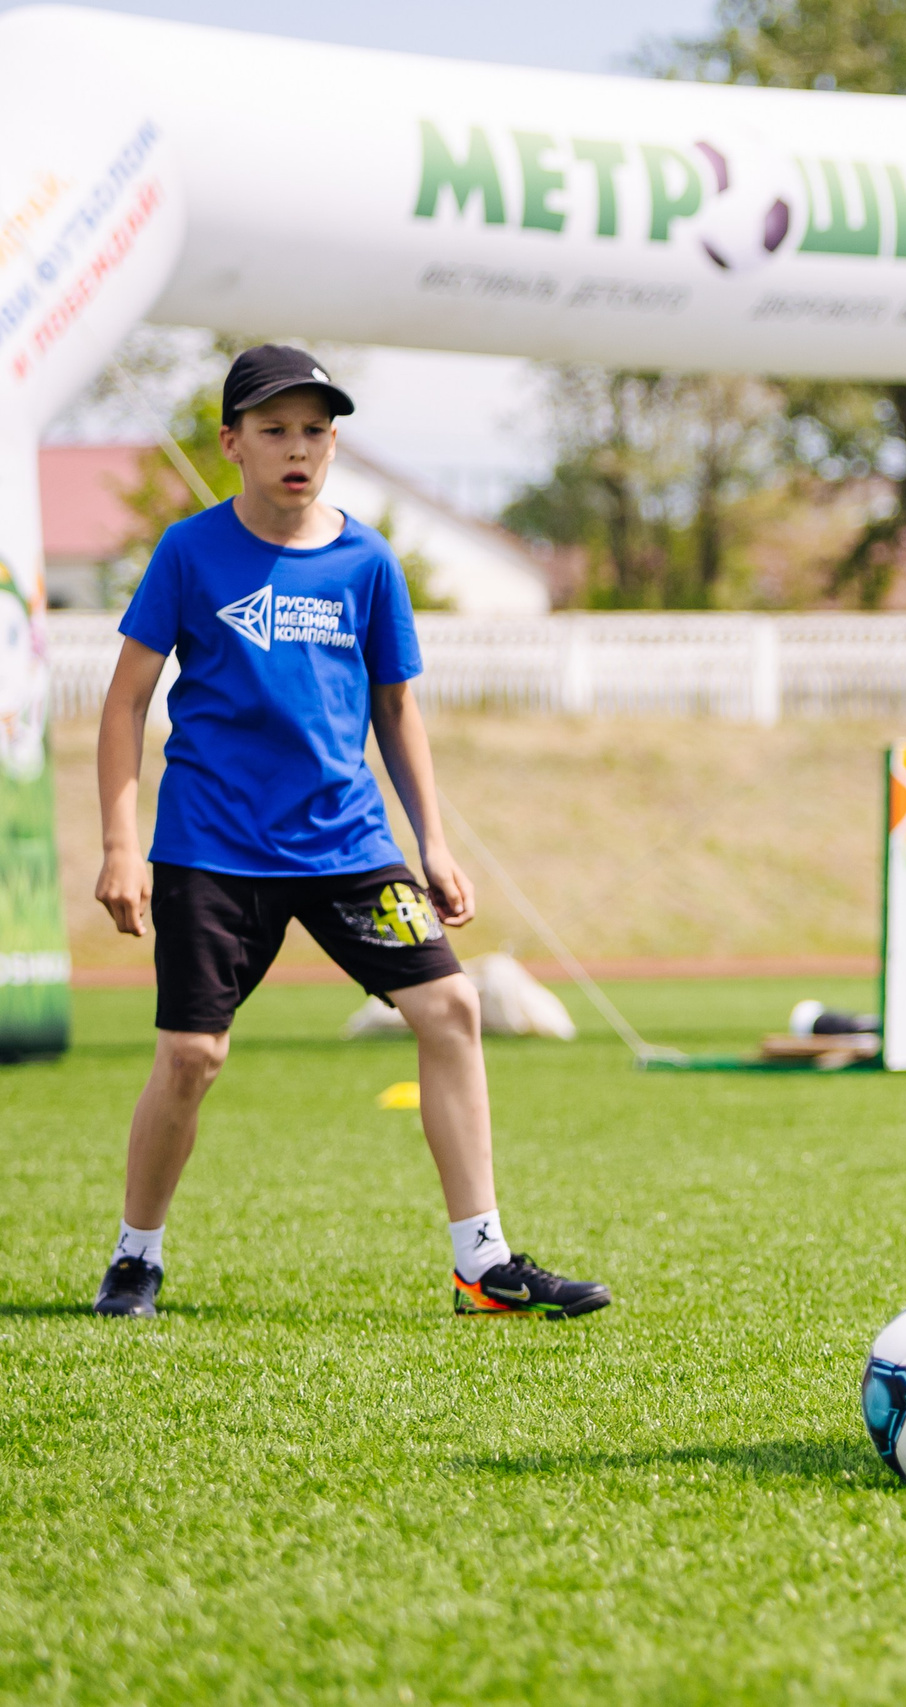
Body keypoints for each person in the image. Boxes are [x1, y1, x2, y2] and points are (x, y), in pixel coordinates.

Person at [89, 344, 610, 1323]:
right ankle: (135, 1255)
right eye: (276, 429)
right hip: (209, 848)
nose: (299, 448)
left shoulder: (368, 561)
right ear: (231, 442)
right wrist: (121, 846)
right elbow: (123, 705)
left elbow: (396, 711)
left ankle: (482, 1265)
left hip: (349, 851)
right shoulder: (189, 554)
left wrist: (436, 843)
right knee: (193, 1057)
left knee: (451, 1008)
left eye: (317, 430)